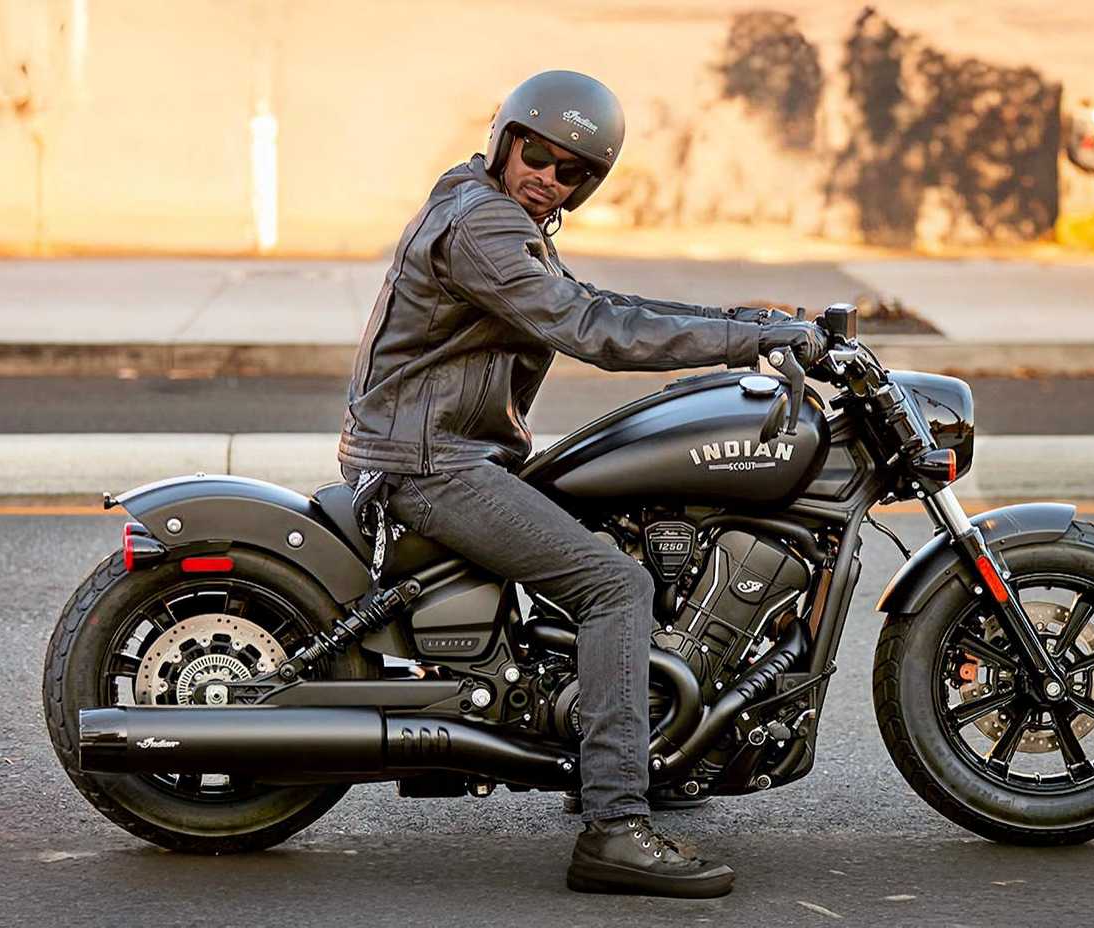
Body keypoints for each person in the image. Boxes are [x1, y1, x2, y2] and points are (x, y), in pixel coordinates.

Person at [338, 70, 827, 898]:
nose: (548, 177)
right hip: (432, 462)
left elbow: (591, 299)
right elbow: (591, 328)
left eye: (572, 171)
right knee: (614, 586)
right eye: (537, 154)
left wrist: (743, 324)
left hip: (442, 448)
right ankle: (614, 826)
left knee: (620, 537)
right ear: (507, 140)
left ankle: (633, 747)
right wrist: (743, 343)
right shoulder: (485, 224)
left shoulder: (489, 206)